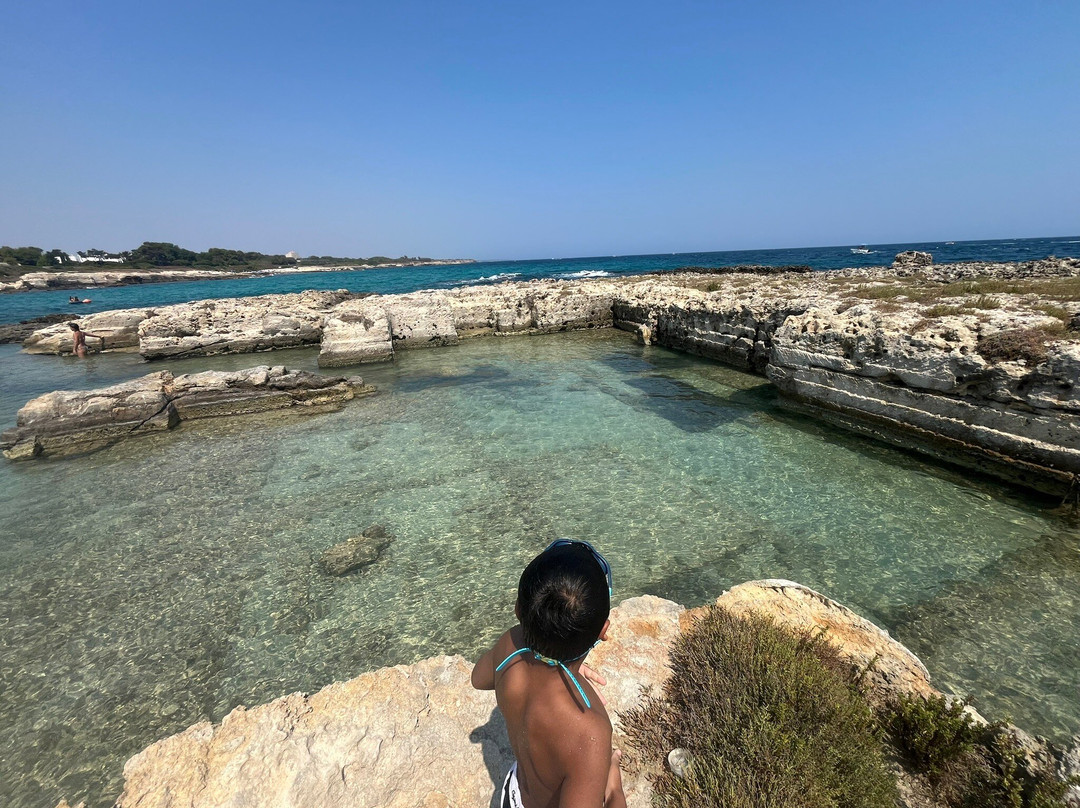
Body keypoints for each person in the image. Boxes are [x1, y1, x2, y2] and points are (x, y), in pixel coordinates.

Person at [472, 540, 626, 808]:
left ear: (518, 610)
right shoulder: (591, 735)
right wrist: (614, 791)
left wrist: (558, 663)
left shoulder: (510, 645)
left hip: (513, 795)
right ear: (603, 631)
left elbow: (478, 679)